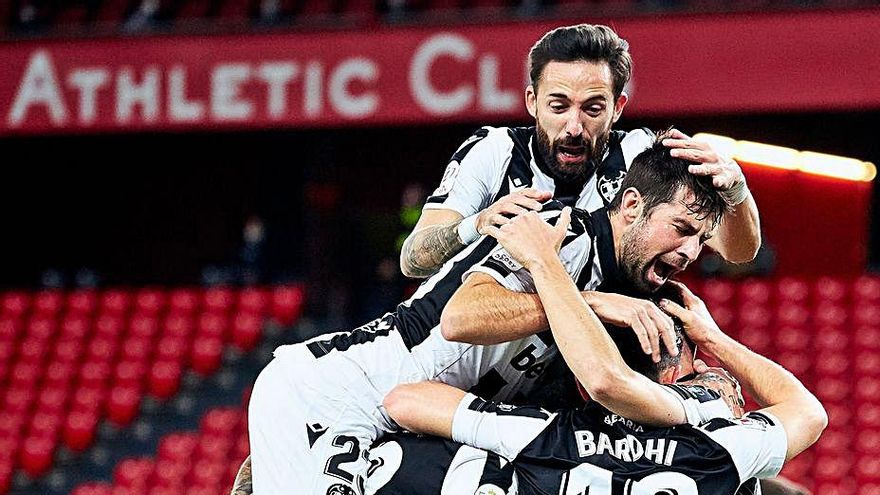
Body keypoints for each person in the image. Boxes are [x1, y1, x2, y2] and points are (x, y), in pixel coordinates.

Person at [246, 137, 729, 494]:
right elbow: (462, 318)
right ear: (630, 206)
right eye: (682, 228)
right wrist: (587, 302)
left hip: (405, 414)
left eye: (701, 240)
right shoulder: (562, 231)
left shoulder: (622, 280)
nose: (690, 251)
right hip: (332, 395)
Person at [375, 209, 826, 495]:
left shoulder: (544, 436)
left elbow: (404, 401)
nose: (704, 366)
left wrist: (543, 263)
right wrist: (715, 339)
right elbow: (808, 411)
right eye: (696, 360)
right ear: (671, 374)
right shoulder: (718, 445)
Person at [400, 23, 761, 285]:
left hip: (582, 362)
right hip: (489, 352)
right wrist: (476, 225)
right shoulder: (495, 150)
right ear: (532, 103)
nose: (574, 127)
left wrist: (737, 191)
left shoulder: (638, 152)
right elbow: (413, 259)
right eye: (558, 106)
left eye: (592, 108)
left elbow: (738, 252)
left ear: (617, 108)